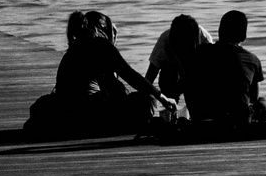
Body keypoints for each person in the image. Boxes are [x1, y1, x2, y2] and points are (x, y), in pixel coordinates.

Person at [35, 9, 174, 135]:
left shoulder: (74, 47)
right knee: (147, 100)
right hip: (89, 114)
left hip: (67, 113)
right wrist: (162, 98)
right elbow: (130, 76)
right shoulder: (100, 44)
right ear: (103, 30)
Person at [186, 9, 266, 126]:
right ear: (244, 36)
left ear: (220, 31)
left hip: (202, 120)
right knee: (263, 102)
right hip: (237, 122)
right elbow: (253, 98)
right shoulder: (253, 60)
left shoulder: (201, 51)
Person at [144, 13, 213, 100]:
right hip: (174, 72)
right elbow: (149, 78)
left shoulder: (205, 41)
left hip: (198, 71)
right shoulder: (164, 42)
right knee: (167, 74)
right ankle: (171, 107)